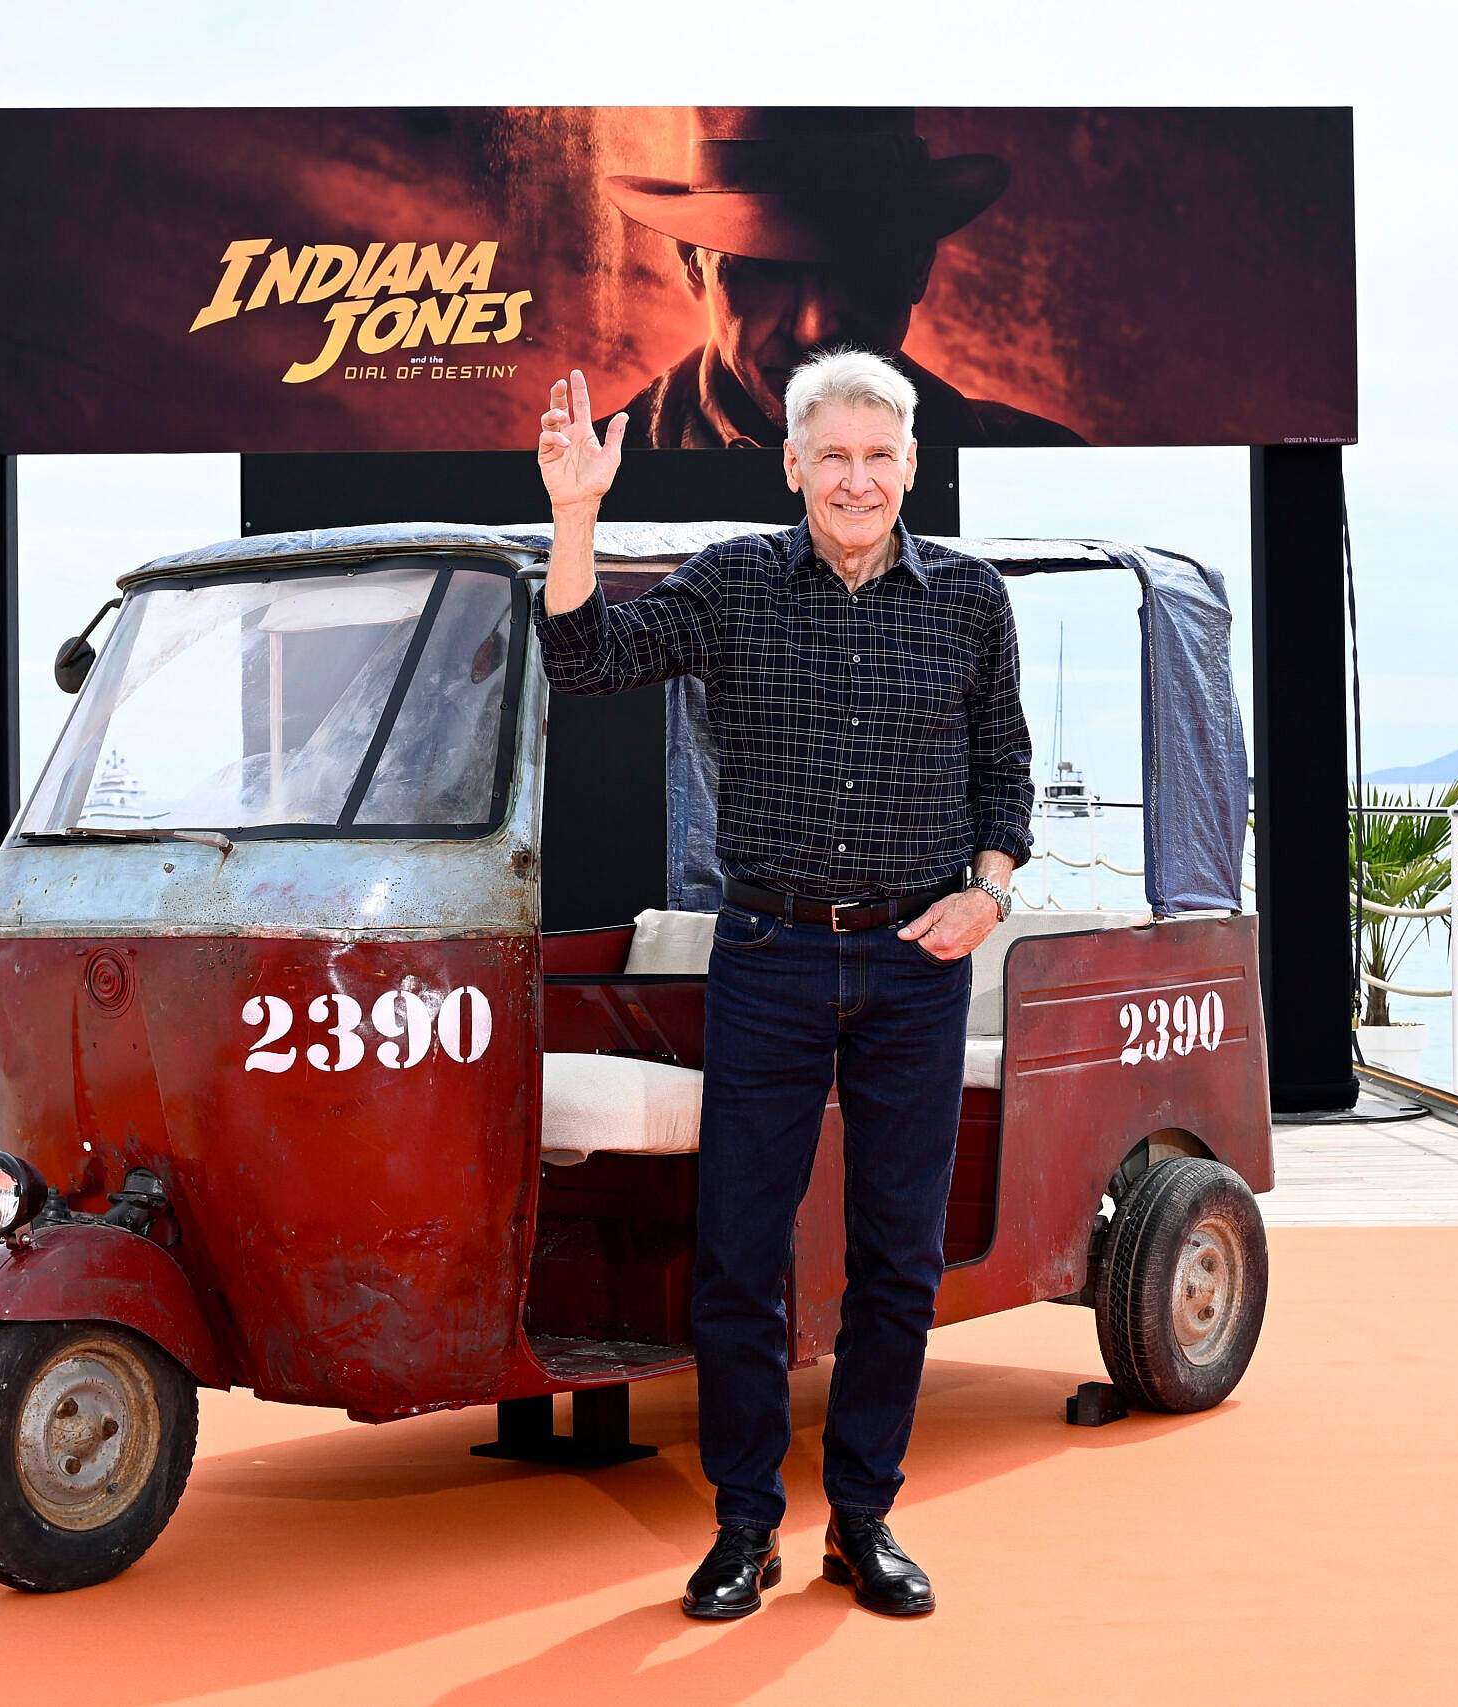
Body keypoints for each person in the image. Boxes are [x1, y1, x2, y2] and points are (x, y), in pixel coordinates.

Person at [531, 354, 1034, 1619]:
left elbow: (1005, 772)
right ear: (793, 466)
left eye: (879, 456)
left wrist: (990, 890)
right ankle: (744, 1525)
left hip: (918, 964)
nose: (857, 479)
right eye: (833, 456)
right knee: (738, 1256)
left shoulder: (970, 600)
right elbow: (586, 662)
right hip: (768, 958)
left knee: (898, 1258)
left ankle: (863, 1519)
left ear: (911, 466)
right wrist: (576, 515)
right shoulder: (733, 582)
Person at [601, 108, 1085, 449]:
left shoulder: (1046, 472)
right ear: (694, 263)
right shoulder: (589, 486)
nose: (814, 330)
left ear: (918, 267)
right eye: (767, 269)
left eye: (858, 269)